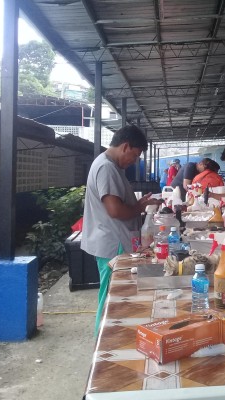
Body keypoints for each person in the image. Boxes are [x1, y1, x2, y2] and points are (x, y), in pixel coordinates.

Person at [81, 125, 163, 335]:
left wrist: (138, 204)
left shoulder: (112, 167)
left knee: (115, 293)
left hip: (115, 240)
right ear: (125, 146)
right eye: (134, 155)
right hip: (111, 243)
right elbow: (115, 210)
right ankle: (103, 341)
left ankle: (111, 335)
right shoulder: (106, 168)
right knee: (111, 295)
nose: (134, 161)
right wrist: (140, 207)